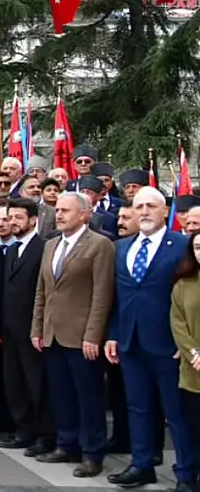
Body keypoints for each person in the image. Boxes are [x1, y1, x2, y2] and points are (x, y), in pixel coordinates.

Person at [106, 186, 197, 490]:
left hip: (169, 346)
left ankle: (185, 474)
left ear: (164, 211)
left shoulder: (182, 245)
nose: (143, 211)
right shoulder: (122, 247)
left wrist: (185, 343)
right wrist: (113, 335)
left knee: (177, 414)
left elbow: (190, 296)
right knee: (138, 407)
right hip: (131, 344)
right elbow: (119, 297)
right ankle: (141, 464)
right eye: (138, 206)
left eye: (150, 206)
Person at [31, 192, 113, 477]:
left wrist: (93, 335)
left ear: (84, 214)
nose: (59, 215)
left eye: (66, 210)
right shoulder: (51, 244)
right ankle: (67, 443)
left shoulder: (99, 245)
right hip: (52, 333)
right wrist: (37, 328)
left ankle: (92, 451)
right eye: (58, 210)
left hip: (81, 335)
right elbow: (43, 290)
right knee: (61, 393)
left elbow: (102, 294)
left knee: (88, 395)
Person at [0, 198, 54, 457]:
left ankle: (45, 434)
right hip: (11, 329)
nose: (12, 223)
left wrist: (39, 327)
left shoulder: (43, 248)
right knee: (14, 382)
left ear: (33, 220)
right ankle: (23, 430)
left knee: (37, 384)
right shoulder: (10, 250)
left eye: (18, 218)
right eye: (10, 218)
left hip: (33, 330)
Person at [171, 232, 200, 480]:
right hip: (193, 370)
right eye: (198, 247)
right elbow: (178, 323)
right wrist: (193, 352)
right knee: (192, 426)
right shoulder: (183, 284)